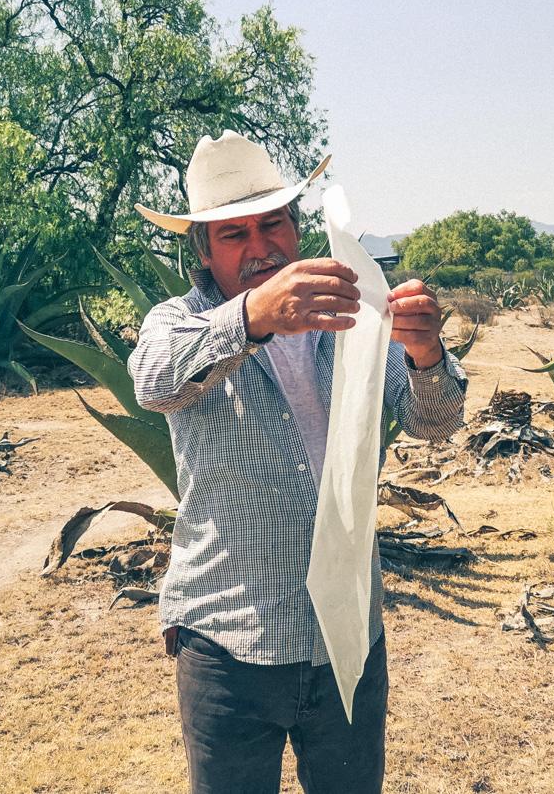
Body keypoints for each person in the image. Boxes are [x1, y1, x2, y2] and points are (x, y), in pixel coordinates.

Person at [128, 130, 467, 793]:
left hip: (348, 639)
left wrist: (427, 355)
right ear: (202, 249)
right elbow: (153, 381)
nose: (260, 247)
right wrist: (254, 316)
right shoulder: (181, 319)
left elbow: (436, 422)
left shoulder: (350, 311)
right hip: (229, 643)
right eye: (233, 235)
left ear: (296, 225)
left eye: (271, 223)